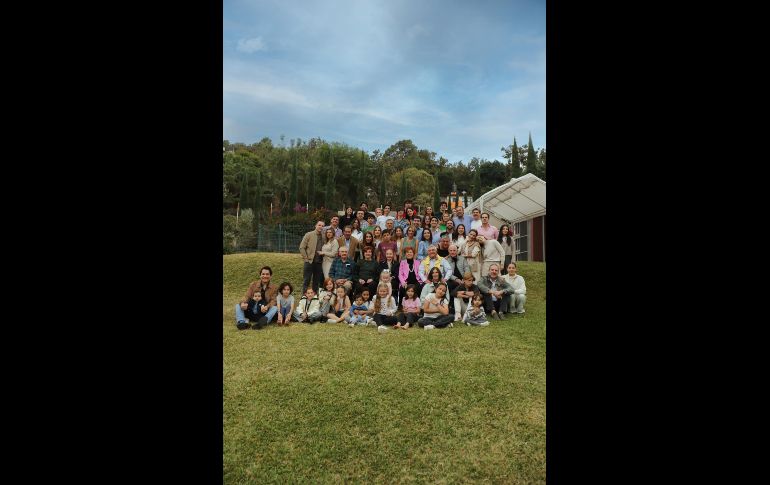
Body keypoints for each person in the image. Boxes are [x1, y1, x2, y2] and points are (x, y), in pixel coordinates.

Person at [299, 220, 325, 294]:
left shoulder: (324, 237)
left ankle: (314, 298)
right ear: (316, 226)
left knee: (316, 282)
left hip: (319, 263)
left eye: (323, 226)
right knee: (306, 280)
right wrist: (306, 258)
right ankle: (304, 297)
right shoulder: (309, 234)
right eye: (319, 225)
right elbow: (302, 247)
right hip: (309, 262)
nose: (321, 227)